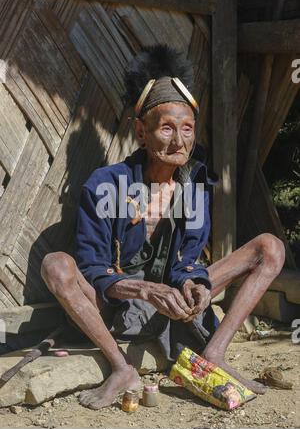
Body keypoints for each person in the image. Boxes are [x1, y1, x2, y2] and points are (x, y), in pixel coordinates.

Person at [40, 45, 285, 410]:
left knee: (270, 248)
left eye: (187, 128)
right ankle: (121, 368)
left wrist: (193, 282)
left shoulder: (195, 183)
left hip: (172, 302)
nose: (180, 140)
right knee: (55, 265)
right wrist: (145, 289)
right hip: (116, 306)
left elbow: (189, 256)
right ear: (141, 132)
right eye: (167, 128)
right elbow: (93, 268)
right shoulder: (106, 184)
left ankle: (215, 352)